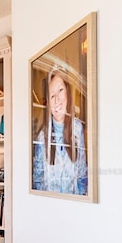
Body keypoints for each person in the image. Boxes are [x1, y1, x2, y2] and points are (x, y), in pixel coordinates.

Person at [32, 66, 88, 195]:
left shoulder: (77, 129)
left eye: (60, 91)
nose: (57, 100)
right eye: (52, 96)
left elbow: (82, 175)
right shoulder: (42, 136)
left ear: (68, 93)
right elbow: (38, 179)